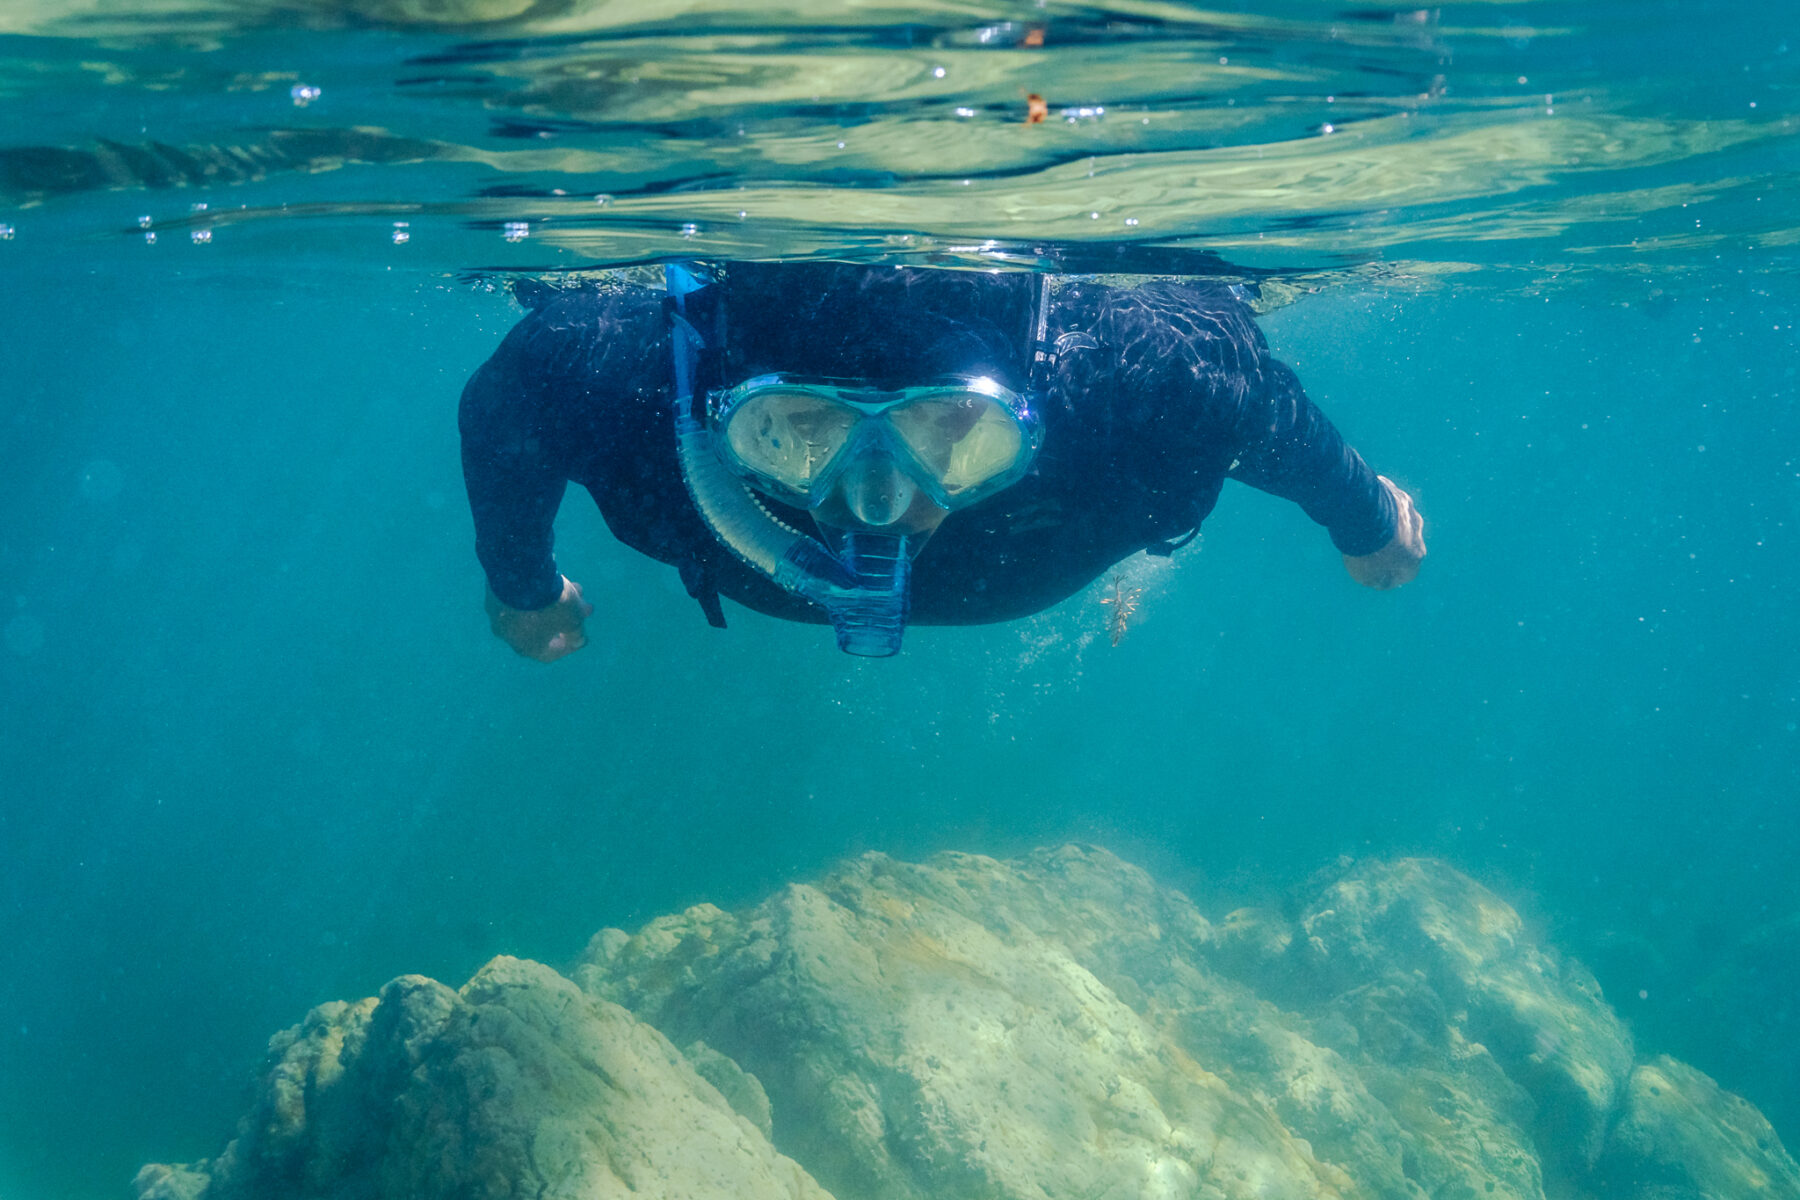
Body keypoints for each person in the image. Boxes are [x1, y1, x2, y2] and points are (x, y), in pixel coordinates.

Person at [460, 261, 1425, 660]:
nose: (875, 502)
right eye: (799, 429)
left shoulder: (1140, 382)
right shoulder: (619, 379)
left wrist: (1363, 511)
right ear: (719, 411)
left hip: (1089, 500)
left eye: (949, 433)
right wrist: (520, 578)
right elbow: (512, 398)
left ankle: (1136, 574)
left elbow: (1253, 401)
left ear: (1034, 402)